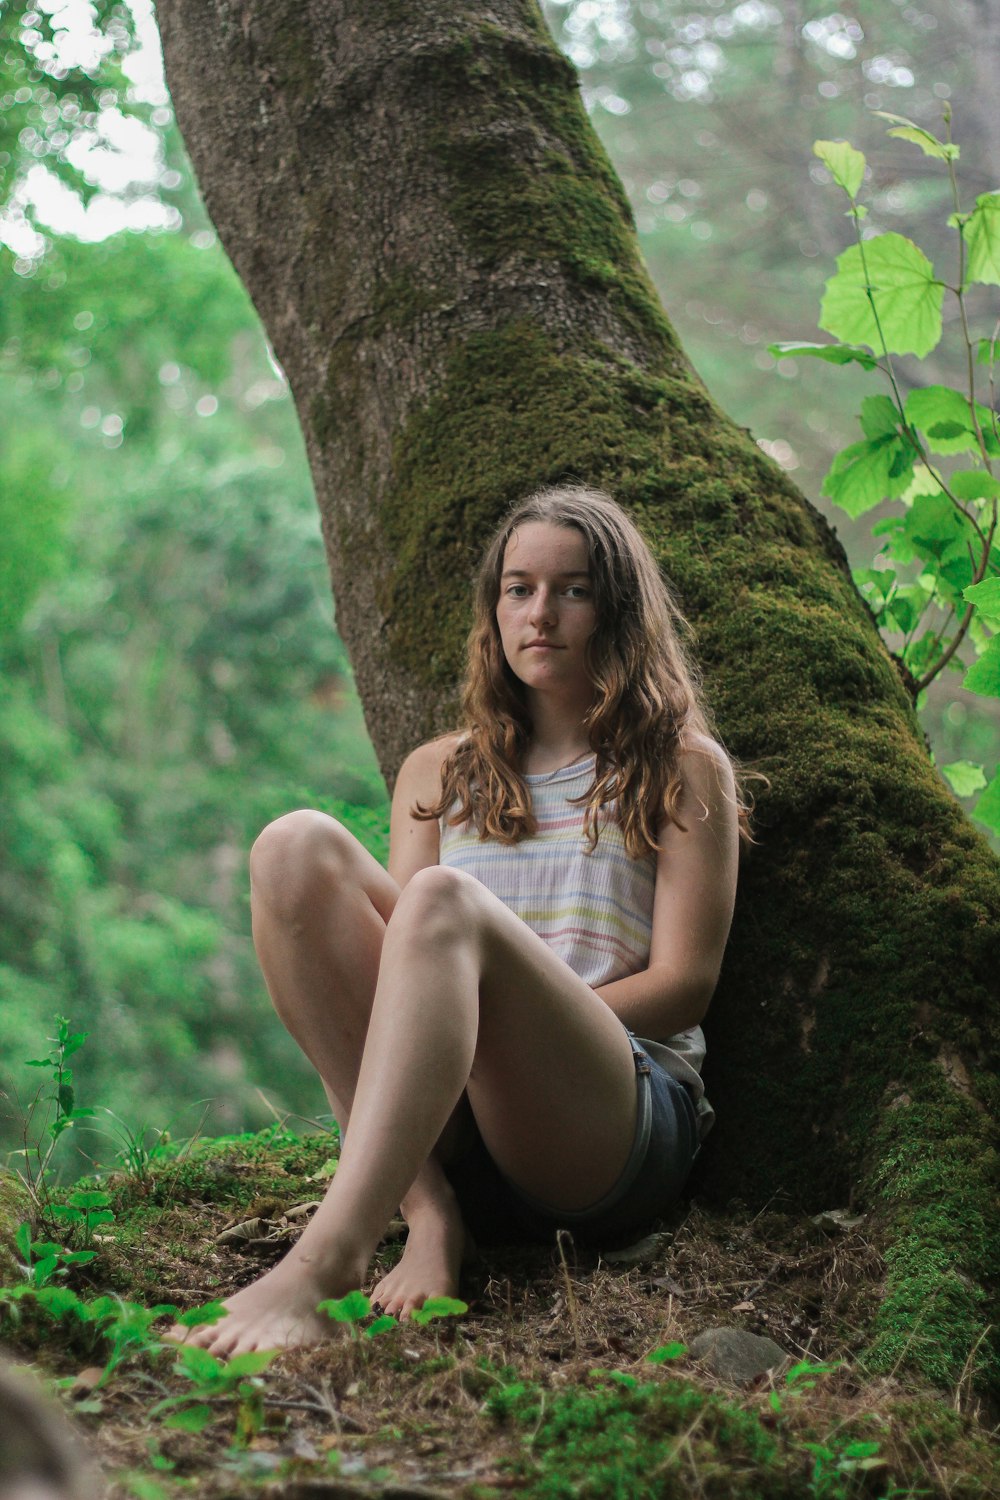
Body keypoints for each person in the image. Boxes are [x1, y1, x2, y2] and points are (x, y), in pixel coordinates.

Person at [174, 486, 743, 1357]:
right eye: (518, 589)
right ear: (493, 609)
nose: (541, 613)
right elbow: (397, 974)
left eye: (573, 590)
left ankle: (328, 1261)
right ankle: (428, 1213)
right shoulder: (438, 771)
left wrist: (501, 1029)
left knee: (442, 903)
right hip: (453, 1122)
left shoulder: (681, 766)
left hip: (606, 1118)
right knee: (294, 846)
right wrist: (458, 1044)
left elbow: (685, 984)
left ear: (617, 610)